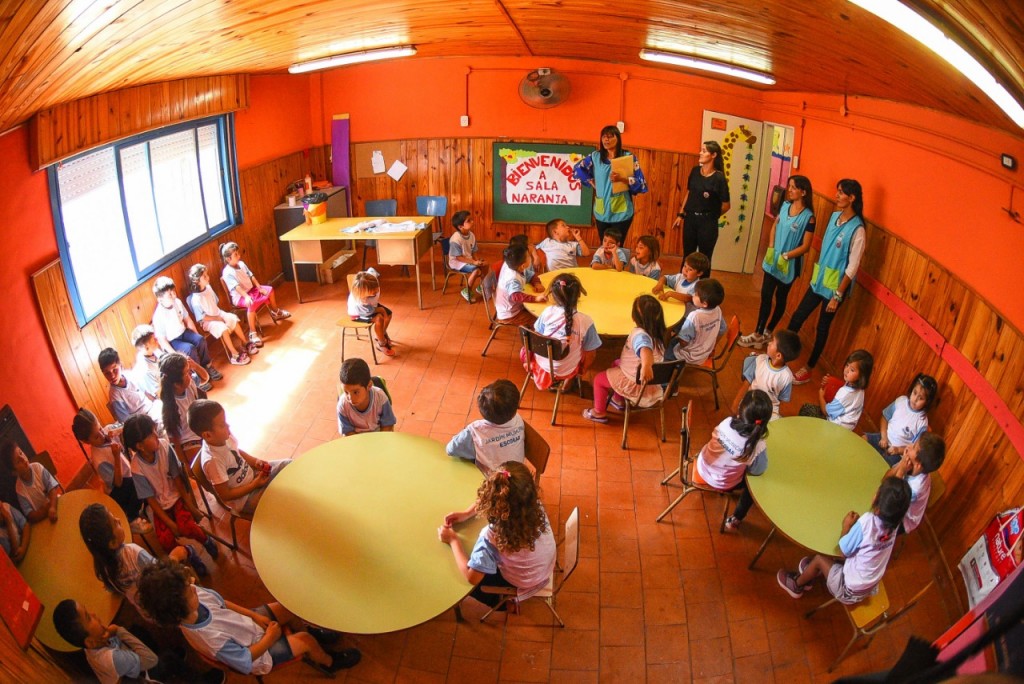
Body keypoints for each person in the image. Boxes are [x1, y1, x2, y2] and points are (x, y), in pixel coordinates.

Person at [137, 559, 360, 676]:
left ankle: (311, 634)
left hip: (248, 627)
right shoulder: (210, 639)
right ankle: (330, 662)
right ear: (178, 608)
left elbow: (223, 603)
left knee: (288, 607)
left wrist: (254, 614)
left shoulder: (194, 598)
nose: (194, 586)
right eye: (189, 591)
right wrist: (270, 638)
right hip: (258, 654)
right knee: (305, 641)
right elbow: (244, 661)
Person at [439, 462, 557, 609]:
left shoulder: (490, 537)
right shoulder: (535, 506)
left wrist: (453, 540)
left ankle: (502, 605)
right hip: (545, 568)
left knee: (468, 583)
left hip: (521, 581)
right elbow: (502, 499)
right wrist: (467, 513)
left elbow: (471, 577)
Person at [777, 476, 911, 602]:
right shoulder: (895, 524)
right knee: (847, 553)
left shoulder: (867, 522)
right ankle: (812, 572)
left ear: (877, 504)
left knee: (819, 559)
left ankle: (797, 585)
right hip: (869, 585)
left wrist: (846, 526)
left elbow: (842, 551)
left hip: (848, 589)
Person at [787, 179, 866, 385]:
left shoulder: (858, 230)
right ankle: (782, 352)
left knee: (822, 328)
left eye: (841, 192)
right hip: (818, 281)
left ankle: (808, 368)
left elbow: (852, 267)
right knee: (798, 316)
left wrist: (837, 296)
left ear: (852, 198)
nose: (837, 195)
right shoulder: (834, 217)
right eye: (837, 191)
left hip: (834, 290)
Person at [123, 413, 218, 561]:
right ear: (140, 446)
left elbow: (178, 480)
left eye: (154, 430)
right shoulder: (136, 467)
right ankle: (189, 553)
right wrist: (170, 524)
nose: (156, 435)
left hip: (177, 497)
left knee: (188, 527)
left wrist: (191, 506)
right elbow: (151, 500)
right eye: (151, 434)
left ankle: (206, 541)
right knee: (165, 541)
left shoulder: (164, 447)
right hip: (160, 507)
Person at [79, 502, 204, 610]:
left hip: (148, 610)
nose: (118, 520)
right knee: (185, 551)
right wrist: (174, 557)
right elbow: (161, 573)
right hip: (168, 601)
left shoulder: (103, 568)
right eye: (115, 523)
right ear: (112, 543)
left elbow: (113, 590)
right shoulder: (133, 552)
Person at [739, 175, 816, 348]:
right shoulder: (785, 205)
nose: (790, 190)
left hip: (789, 264)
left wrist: (787, 256)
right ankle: (758, 333)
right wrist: (772, 245)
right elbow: (775, 225)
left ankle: (768, 331)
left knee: (780, 298)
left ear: (803, 192)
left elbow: (806, 246)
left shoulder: (809, 217)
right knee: (766, 295)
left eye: (794, 187)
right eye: (789, 186)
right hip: (773, 259)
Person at [188, 400, 289, 515]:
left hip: (253, 477)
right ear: (207, 435)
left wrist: (255, 461)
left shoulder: (224, 437)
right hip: (244, 499)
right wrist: (254, 485)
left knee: (288, 464)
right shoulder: (213, 461)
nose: (228, 426)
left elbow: (236, 451)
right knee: (280, 501)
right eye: (222, 425)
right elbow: (225, 495)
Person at [696, 389, 772, 531]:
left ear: (740, 410)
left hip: (702, 465)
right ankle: (736, 518)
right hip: (723, 482)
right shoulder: (757, 445)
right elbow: (758, 471)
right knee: (753, 486)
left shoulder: (727, 422)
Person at [583, 295, 667, 423]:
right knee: (616, 363)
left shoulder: (640, 335)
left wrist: (646, 366)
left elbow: (645, 350)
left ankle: (598, 412)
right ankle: (619, 400)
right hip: (651, 382)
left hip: (636, 383)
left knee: (598, 380)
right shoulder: (657, 333)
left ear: (634, 317)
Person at [71, 408, 148, 531]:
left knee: (142, 475)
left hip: (128, 475)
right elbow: (118, 483)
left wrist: (118, 430)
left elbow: (125, 425)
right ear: (86, 441)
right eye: (96, 436)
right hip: (117, 490)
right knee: (136, 482)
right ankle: (132, 518)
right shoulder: (99, 460)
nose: (102, 435)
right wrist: (116, 457)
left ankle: (144, 502)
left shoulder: (107, 431)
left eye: (100, 428)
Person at [523, 273, 601, 391]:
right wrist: (583, 370)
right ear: (578, 295)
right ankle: (568, 383)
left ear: (553, 296)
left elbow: (536, 336)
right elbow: (591, 354)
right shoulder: (586, 321)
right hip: (567, 370)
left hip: (541, 365)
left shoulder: (547, 312)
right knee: (584, 349)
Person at [52, 599, 159, 684]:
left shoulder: (91, 646)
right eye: (88, 617)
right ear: (90, 642)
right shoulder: (114, 658)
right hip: (138, 674)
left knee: (138, 631)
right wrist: (118, 630)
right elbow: (152, 660)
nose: (93, 614)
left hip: (127, 670)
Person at [572, 124, 648, 241]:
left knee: (617, 246)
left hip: (622, 212)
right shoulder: (595, 157)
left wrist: (623, 179)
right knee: (604, 246)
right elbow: (578, 169)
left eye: (610, 136)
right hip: (602, 211)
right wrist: (591, 182)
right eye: (603, 137)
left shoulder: (628, 157)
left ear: (618, 138)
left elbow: (641, 183)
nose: (606, 139)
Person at [673, 141, 731, 275]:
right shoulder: (695, 171)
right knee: (688, 255)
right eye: (701, 150)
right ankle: (682, 283)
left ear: (713, 155)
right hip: (690, 220)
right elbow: (689, 193)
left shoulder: (719, 178)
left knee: (704, 259)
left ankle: (702, 286)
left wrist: (711, 217)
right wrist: (681, 215)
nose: (700, 153)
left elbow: (726, 205)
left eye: (704, 151)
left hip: (708, 224)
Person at [151, 277, 221, 383]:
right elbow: (162, 340)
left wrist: (197, 335)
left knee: (200, 340)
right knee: (190, 349)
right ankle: (198, 375)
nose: (173, 295)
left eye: (173, 291)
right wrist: (174, 354)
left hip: (183, 332)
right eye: (169, 295)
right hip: (173, 341)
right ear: (160, 299)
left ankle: (207, 366)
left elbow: (188, 320)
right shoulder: (158, 316)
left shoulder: (177, 302)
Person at [447, 379, 526, 474]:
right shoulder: (518, 420)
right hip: (517, 477)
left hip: (490, 480)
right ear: (514, 410)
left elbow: (451, 449)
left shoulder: (475, 432)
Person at [220, 240, 290, 348]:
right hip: (240, 296)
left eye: (238, 253)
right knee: (251, 304)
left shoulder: (242, 264)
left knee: (270, 290)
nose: (239, 256)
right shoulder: (227, 272)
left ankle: (276, 311)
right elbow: (236, 287)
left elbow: (251, 276)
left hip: (251, 290)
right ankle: (252, 333)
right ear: (229, 259)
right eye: (236, 255)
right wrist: (246, 297)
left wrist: (259, 287)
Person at [186, 263, 255, 366]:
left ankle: (245, 343)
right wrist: (217, 318)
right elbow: (201, 317)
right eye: (204, 276)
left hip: (218, 313)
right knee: (223, 329)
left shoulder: (208, 287)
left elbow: (215, 302)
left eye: (207, 275)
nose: (208, 277)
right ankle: (234, 355)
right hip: (208, 322)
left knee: (233, 318)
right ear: (197, 281)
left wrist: (220, 316)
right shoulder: (196, 299)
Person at [865, 373, 938, 464]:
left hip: (897, 454)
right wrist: (884, 437)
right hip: (883, 438)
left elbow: (914, 448)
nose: (915, 399)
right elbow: (885, 417)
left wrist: (898, 450)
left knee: (881, 465)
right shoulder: (901, 401)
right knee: (863, 439)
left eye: (921, 398)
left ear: (927, 402)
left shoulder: (922, 422)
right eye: (915, 393)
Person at [734, 329, 802, 420]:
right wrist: (736, 403)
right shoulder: (759, 360)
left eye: (772, 342)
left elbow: (782, 400)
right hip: (751, 400)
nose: (769, 343)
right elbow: (746, 384)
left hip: (770, 409)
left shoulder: (787, 377)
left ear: (778, 356)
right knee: (743, 418)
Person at [885, 432, 945, 534]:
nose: (908, 446)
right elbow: (885, 480)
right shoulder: (909, 463)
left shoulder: (915, 489)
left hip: (904, 520)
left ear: (918, 465)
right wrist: (901, 465)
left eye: (913, 447)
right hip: (895, 500)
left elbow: (890, 499)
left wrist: (901, 471)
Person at [132, 324, 212, 397]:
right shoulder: (145, 370)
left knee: (200, 386)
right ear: (146, 347)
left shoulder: (156, 351)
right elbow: (160, 395)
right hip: (169, 396)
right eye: (154, 339)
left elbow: (205, 378)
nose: (157, 339)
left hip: (176, 385)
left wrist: (193, 365)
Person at [801, 349, 874, 430]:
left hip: (833, 428)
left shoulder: (845, 393)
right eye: (847, 365)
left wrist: (821, 395)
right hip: (847, 427)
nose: (846, 370)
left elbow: (826, 411)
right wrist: (829, 381)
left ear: (861, 376)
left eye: (852, 370)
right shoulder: (860, 390)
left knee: (806, 409)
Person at [159, 353, 206, 469]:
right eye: (187, 372)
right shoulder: (170, 406)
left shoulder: (189, 384)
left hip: (202, 429)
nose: (191, 374)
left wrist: (195, 366)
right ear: (176, 384)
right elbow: (174, 440)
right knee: (205, 464)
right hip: (189, 440)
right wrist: (184, 465)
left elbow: (205, 378)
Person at [99, 347, 165, 426]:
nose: (112, 376)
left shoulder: (130, 375)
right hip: (143, 420)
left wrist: (157, 401)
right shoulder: (115, 395)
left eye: (115, 370)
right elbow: (126, 422)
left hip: (152, 408)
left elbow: (146, 393)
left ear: (121, 365)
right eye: (107, 373)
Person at [666, 278, 725, 365]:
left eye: (696, 294)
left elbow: (683, 342)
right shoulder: (717, 310)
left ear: (704, 303)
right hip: (704, 354)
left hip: (689, 356)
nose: (693, 295)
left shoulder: (694, 316)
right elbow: (723, 328)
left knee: (666, 347)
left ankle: (672, 367)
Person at [336, 358, 397, 436]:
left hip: (379, 435)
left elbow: (387, 425)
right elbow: (347, 432)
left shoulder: (381, 398)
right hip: (357, 438)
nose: (350, 398)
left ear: (369, 386)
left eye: (355, 392)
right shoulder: (342, 406)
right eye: (346, 392)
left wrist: (380, 441)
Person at [2, 441, 59, 523]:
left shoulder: (37, 468)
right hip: (42, 520)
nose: (23, 459)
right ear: (15, 472)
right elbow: (30, 515)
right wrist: (45, 510)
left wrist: (52, 507)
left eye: (21, 453)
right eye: (18, 461)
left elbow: (52, 489)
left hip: (55, 505)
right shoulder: (19, 489)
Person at [495, 243, 548, 327]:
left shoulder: (514, 265)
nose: (530, 257)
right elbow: (516, 297)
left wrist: (536, 283)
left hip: (515, 306)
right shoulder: (512, 278)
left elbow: (530, 275)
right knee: (540, 321)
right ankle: (530, 334)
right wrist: (536, 298)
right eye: (529, 256)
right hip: (510, 315)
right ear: (523, 266)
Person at [348, 268, 394, 357]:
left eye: (376, 289)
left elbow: (372, 270)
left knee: (389, 314)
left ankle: (381, 334)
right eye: (373, 292)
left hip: (372, 305)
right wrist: (381, 310)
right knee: (379, 319)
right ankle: (381, 343)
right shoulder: (360, 300)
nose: (376, 292)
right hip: (359, 313)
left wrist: (383, 311)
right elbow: (368, 311)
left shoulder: (371, 278)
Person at [448, 210, 488, 303]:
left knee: (486, 265)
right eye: (469, 221)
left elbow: (474, 251)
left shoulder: (471, 235)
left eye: (471, 219)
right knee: (476, 270)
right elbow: (458, 257)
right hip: (457, 262)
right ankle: (467, 290)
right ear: (460, 226)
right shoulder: (455, 239)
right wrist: (474, 262)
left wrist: (477, 260)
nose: (472, 222)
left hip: (468, 260)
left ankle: (481, 286)